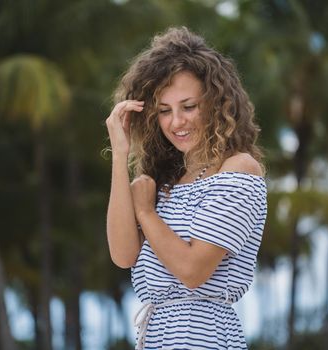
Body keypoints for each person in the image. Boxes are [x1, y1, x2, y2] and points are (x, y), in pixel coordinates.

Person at [105, 26, 267, 350]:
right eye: (164, 111)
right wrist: (121, 154)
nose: (176, 121)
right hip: (156, 337)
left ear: (216, 102)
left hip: (204, 336)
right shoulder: (165, 183)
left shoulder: (239, 169)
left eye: (188, 106)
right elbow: (123, 255)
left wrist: (146, 212)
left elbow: (193, 272)